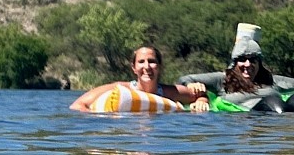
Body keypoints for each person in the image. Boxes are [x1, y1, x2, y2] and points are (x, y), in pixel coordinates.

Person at [180, 24, 294, 113]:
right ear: (235, 62)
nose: (248, 65)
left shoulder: (270, 80)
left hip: (282, 121)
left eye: (253, 60)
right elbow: (184, 79)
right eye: (242, 60)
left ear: (259, 62)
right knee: (273, 101)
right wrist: (199, 93)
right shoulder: (222, 79)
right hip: (255, 120)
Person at [69, 45, 202, 112]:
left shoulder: (171, 92)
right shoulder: (119, 88)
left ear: (160, 66)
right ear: (134, 68)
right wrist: (97, 117)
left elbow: (200, 95)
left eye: (152, 61)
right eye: (141, 62)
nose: (147, 66)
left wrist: (201, 100)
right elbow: (77, 105)